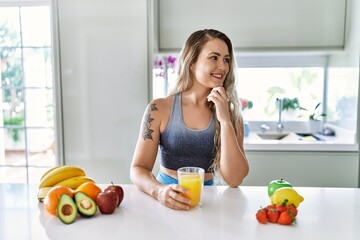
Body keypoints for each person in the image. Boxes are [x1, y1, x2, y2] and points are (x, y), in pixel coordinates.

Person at [130, 29, 249, 210]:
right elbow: (138, 168)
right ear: (192, 62)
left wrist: (225, 120)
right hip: (165, 198)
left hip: (208, 202)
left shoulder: (230, 114)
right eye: (214, 57)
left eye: (226, 59)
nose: (223, 67)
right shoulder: (159, 109)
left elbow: (235, 179)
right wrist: (159, 191)